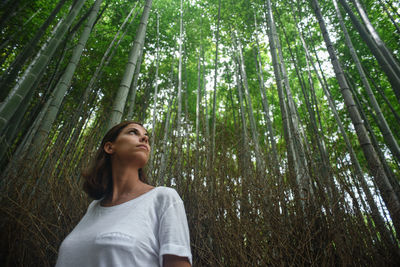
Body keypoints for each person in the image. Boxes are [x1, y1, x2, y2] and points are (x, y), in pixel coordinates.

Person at [55, 121, 192, 267]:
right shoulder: (94, 207)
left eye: (146, 137)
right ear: (109, 147)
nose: (145, 139)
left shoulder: (164, 198)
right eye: (133, 132)